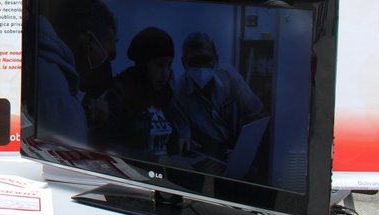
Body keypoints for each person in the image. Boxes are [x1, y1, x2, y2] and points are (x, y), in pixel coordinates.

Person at [33, 0, 118, 147]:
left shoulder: (39, 60)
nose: (108, 64)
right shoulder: (59, 100)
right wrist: (74, 115)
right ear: (89, 41)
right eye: (109, 56)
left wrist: (82, 113)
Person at [172, 31, 266, 162]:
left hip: (238, 148)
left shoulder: (230, 77)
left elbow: (257, 114)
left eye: (207, 60)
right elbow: (184, 134)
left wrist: (243, 149)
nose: (201, 67)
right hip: (208, 155)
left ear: (216, 60)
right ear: (184, 62)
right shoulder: (179, 91)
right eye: (194, 61)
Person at [98, 27, 185, 158]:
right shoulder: (119, 95)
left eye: (169, 65)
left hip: (167, 172)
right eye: (160, 65)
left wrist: (181, 145)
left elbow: (168, 143)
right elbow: (106, 146)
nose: (166, 73)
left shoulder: (166, 95)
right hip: (138, 172)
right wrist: (155, 162)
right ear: (143, 65)